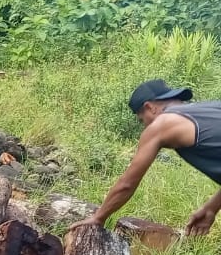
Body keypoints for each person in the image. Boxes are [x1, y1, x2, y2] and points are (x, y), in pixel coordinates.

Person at [76, 79, 221, 236]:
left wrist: (98, 217)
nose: (145, 126)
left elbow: (127, 183)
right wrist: (211, 207)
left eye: (142, 120)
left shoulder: (163, 124)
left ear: (149, 107)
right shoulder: (212, 108)